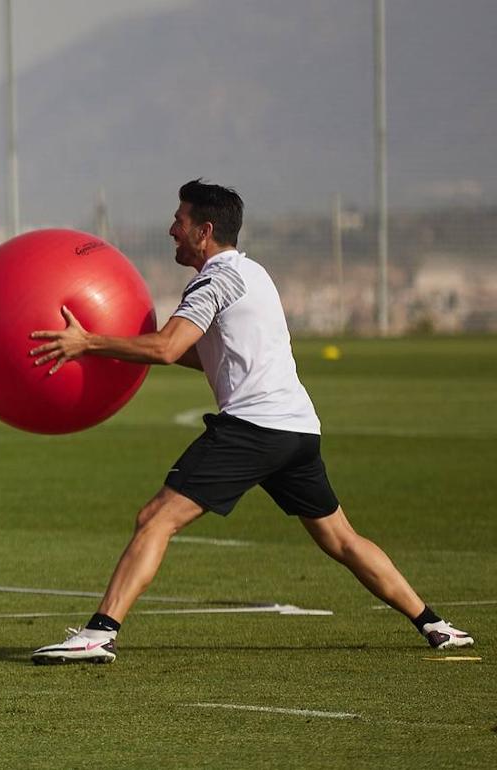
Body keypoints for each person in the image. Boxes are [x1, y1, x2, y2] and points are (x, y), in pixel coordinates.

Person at [27, 179, 475, 664]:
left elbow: (167, 347)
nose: (171, 230)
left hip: (253, 429)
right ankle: (435, 624)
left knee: (155, 518)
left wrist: (89, 343)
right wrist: (115, 348)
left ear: (204, 231)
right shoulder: (253, 274)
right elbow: (206, 357)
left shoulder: (213, 282)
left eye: (179, 221)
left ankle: (99, 634)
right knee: (341, 538)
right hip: (298, 431)